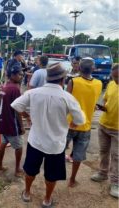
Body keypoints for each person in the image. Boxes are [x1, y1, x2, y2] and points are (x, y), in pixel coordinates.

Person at [11, 63, 85, 208]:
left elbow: (15, 105)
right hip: (55, 145)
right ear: (63, 80)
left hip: (36, 141)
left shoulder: (33, 93)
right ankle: (47, 200)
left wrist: (27, 116)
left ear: (47, 78)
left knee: (30, 170)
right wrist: (73, 123)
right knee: (51, 175)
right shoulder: (67, 98)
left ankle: (26, 193)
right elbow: (80, 120)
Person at [66, 58, 103, 188]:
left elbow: (65, 101)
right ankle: (72, 180)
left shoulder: (73, 82)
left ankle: (55, 174)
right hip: (85, 125)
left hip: (69, 123)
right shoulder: (99, 84)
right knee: (78, 155)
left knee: (59, 150)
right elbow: (92, 103)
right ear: (93, 69)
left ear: (79, 68)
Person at [91, 64, 119, 198]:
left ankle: (116, 183)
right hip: (104, 124)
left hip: (118, 129)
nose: (116, 80)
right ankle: (102, 173)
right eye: (114, 77)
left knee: (116, 156)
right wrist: (102, 108)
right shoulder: (111, 84)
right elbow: (107, 102)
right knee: (103, 151)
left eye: (118, 77)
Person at [0, 64, 25, 177]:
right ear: (13, 75)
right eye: (19, 74)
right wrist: (22, 126)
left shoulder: (4, 86)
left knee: (3, 143)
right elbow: (18, 110)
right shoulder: (15, 89)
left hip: (2, 121)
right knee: (19, 146)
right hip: (11, 122)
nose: (21, 76)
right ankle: (17, 169)